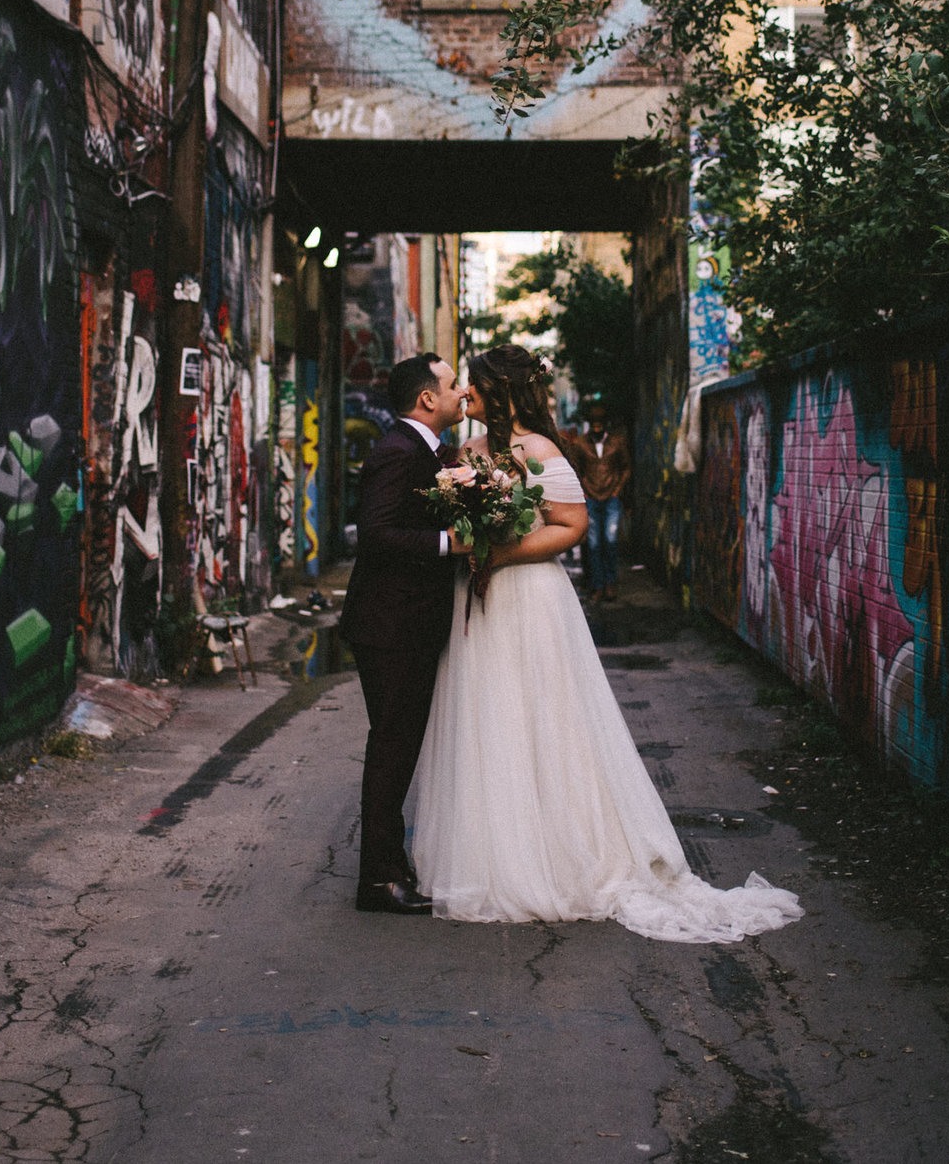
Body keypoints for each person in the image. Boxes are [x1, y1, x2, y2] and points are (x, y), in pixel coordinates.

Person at [405, 344, 803, 943]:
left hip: (530, 600)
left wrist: (501, 551)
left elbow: (573, 526)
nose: (468, 393)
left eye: (477, 385)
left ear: (502, 392)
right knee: (488, 720)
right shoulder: (471, 453)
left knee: (544, 721)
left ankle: (560, 855)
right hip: (480, 602)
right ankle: (497, 852)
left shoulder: (540, 452)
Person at [340, 353, 468, 915]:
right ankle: (377, 880)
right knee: (391, 749)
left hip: (406, 623)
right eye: (452, 384)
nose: (461, 392)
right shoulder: (397, 452)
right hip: (392, 625)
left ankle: (389, 866)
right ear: (427, 399)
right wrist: (450, 543)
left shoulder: (424, 450)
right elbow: (377, 535)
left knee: (398, 747)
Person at [577, 401, 632, 601]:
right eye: (594, 423)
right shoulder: (580, 444)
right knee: (593, 544)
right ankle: (598, 585)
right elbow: (576, 469)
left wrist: (618, 489)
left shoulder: (616, 442)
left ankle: (610, 583)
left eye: (600, 423)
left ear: (605, 424)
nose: (597, 426)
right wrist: (582, 492)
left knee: (609, 541)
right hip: (590, 498)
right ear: (590, 424)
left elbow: (626, 467)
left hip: (611, 498)